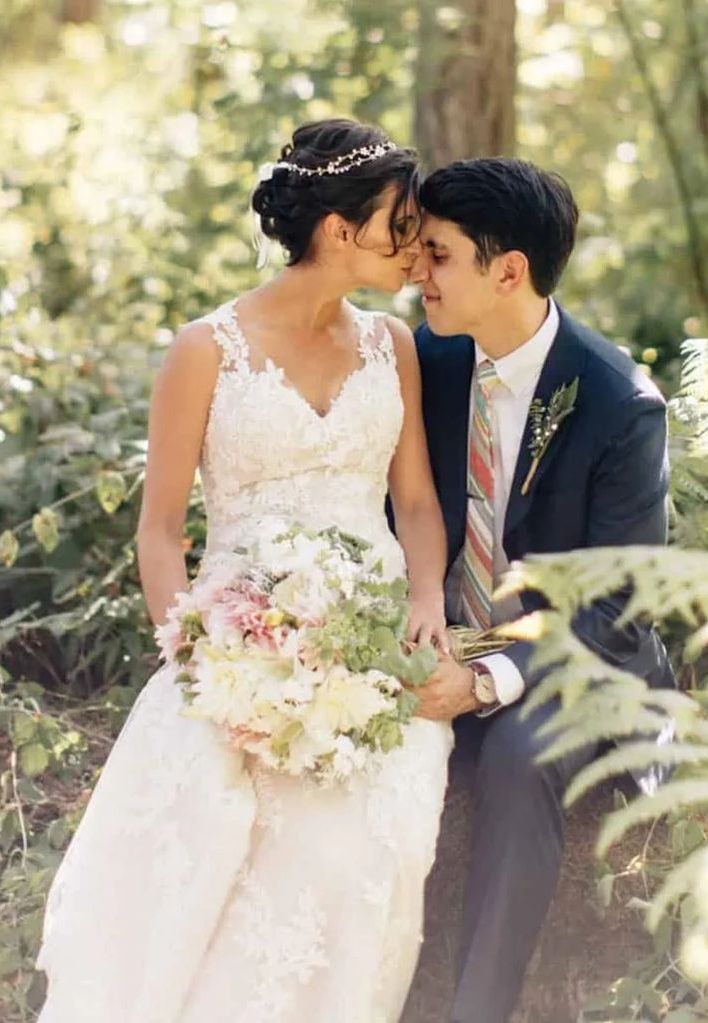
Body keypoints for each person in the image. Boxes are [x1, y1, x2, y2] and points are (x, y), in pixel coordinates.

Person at [34, 119, 455, 1023]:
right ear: (340, 232)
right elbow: (158, 532)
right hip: (231, 647)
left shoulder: (394, 347)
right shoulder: (205, 349)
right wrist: (196, 658)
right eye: (402, 222)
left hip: (372, 643)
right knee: (213, 813)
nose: (416, 243)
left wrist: (425, 597)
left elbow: (415, 502)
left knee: (362, 849)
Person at [407, 158, 675, 1023]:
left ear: (507, 270)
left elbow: (616, 608)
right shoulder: (426, 363)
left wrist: (482, 678)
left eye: (439, 255)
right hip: (438, 637)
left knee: (517, 760)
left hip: (579, 665)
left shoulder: (618, 403)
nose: (417, 270)